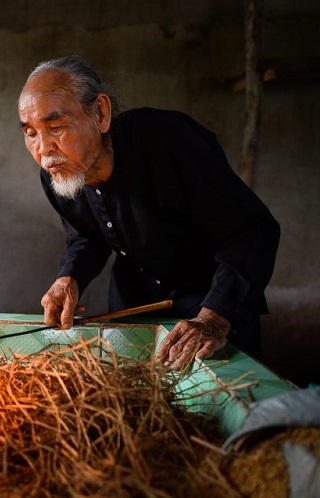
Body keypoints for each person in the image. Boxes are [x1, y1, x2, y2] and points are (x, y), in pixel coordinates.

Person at [17, 55, 280, 370]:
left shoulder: (170, 141)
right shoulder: (56, 173)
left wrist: (215, 317)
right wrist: (69, 276)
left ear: (100, 113)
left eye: (55, 126)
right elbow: (86, 234)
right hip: (135, 308)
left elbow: (252, 230)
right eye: (30, 132)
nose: (43, 148)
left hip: (212, 304)